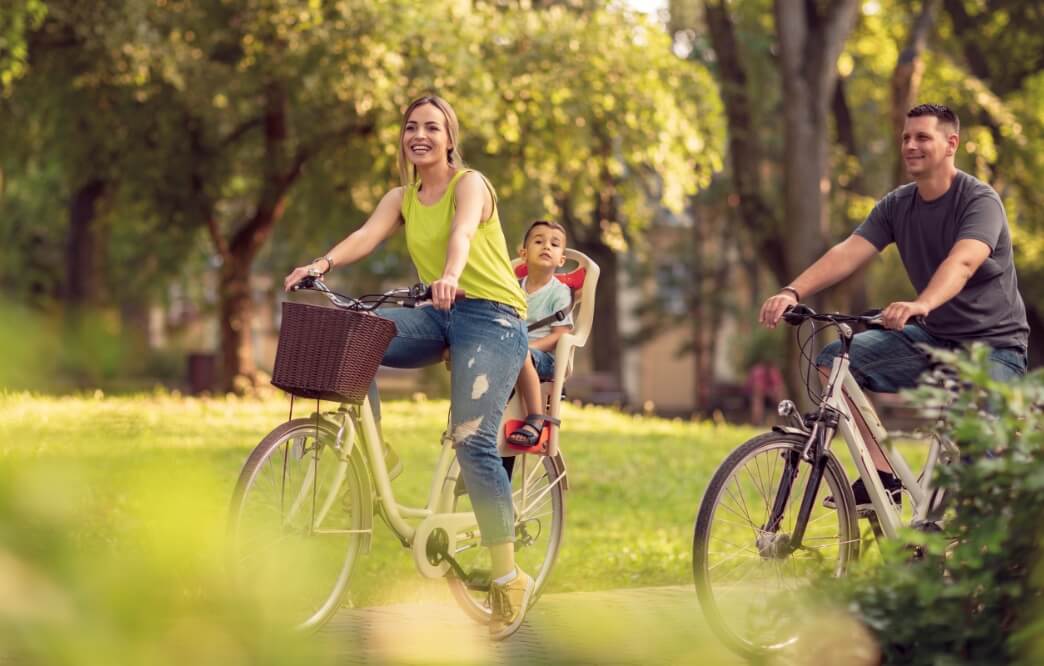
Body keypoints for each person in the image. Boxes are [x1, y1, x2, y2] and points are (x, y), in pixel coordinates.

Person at [283, 95, 534, 640]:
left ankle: (508, 577)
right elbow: (366, 236)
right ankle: (381, 455)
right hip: (440, 313)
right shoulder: (403, 196)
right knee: (355, 336)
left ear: (449, 138)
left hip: (492, 318)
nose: (419, 135)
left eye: (432, 128)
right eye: (411, 127)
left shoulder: (470, 184)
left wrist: (448, 273)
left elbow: (462, 233)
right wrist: (320, 264)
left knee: (473, 441)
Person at [759, 103, 1030, 511]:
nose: (910, 145)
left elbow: (963, 262)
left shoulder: (979, 200)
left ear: (951, 143)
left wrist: (922, 303)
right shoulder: (897, 205)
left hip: (994, 347)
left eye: (922, 137)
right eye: (906, 137)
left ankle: (993, 556)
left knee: (978, 458)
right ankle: (883, 477)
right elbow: (849, 252)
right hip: (934, 338)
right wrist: (793, 291)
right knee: (835, 361)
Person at [506, 220, 574, 447]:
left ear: (561, 260)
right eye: (538, 241)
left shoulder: (559, 292)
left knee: (520, 352)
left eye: (554, 244)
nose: (546, 246)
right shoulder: (512, 288)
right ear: (524, 253)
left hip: (544, 358)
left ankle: (535, 417)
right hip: (511, 351)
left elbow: (560, 334)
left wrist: (527, 347)